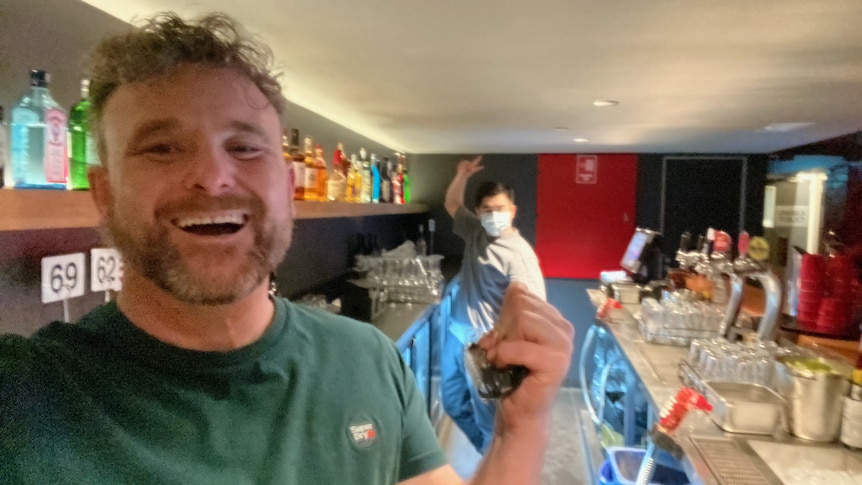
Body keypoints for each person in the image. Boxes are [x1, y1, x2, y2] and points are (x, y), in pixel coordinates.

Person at [0, 12, 573, 485]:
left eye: (246, 148)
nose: (213, 176)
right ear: (103, 193)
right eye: (162, 148)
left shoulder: (368, 359)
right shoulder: (27, 396)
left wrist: (521, 428)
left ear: (289, 188)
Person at [441, 157, 548, 454]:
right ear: (478, 212)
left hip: (488, 351)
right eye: (487, 211)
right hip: (458, 337)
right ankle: (488, 457)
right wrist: (461, 175)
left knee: (491, 423)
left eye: (499, 210)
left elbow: (534, 312)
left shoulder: (520, 256)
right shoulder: (475, 230)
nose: (493, 216)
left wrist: (512, 358)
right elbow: (452, 204)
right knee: (452, 403)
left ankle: (494, 466)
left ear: (512, 211)